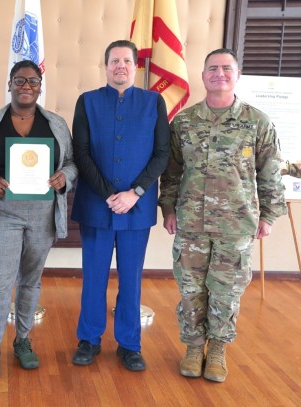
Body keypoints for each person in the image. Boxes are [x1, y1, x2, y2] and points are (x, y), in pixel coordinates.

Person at [159, 48, 287, 382]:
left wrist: (269, 216)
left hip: (237, 224)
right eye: (212, 69)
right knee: (191, 290)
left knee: (226, 292)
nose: (219, 74)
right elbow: (172, 171)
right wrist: (168, 207)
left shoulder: (256, 121)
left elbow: (270, 173)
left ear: (237, 75)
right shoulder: (184, 122)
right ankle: (192, 346)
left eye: (226, 68)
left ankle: (217, 350)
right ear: (203, 77)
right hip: (191, 223)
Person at [0, 60, 77, 379]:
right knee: (0, 282)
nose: (26, 87)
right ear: (9, 84)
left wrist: (63, 176)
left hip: (43, 215)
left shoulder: (55, 123)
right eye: (19, 81)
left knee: (31, 280)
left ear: (41, 87)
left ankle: (23, 341)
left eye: (33, 81)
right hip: (3, 212)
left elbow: (71, 163)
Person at [71, 40, 170, 372]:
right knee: (94, 276)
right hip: (97, 206)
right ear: (105, 66)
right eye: (114, 61)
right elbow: (81, 152)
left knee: (132, 278)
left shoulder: (154, 102)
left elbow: (162, 154)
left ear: (135, 66)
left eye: (127, 61)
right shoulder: (87, 102)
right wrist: (108, 194)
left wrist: (135, 193)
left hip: (137, 208)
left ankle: (129, 344)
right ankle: (89, 339)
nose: (121, 66)